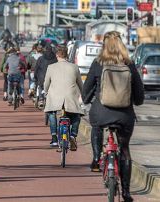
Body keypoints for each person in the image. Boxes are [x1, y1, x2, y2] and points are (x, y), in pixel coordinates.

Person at [82, 31, 144, 202]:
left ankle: (96, 157)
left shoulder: (98, 63)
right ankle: (126, 192)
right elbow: (139, 97)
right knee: (124, 150)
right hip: (124, 116)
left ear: (104, 45)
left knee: (95, 126)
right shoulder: (129, 64)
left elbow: (86, 91)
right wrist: (134, 101)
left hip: (101, 112)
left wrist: (87, 100)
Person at [43, 45, 83, 150]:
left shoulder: (51, 67)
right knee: (76, 116)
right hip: (70, 97)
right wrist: (83, 94)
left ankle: (54, 138)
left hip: (55, 97)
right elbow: (80, 84)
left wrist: (46, 92)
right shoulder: (74, 67)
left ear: (57, 55)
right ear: (67, 55)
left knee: (51, 113)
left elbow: (46, 84)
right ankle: (73, 135)